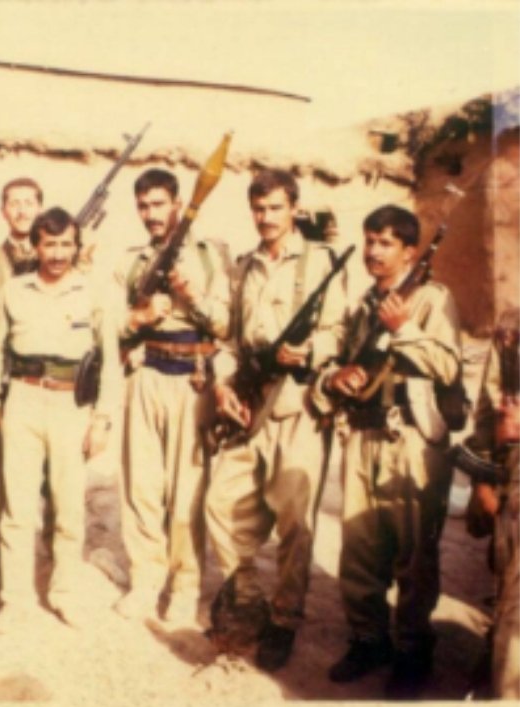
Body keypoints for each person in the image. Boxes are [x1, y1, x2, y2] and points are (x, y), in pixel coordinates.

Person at [314, 205, 461, 698]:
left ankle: (414, 650)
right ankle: (368, 639)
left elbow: (446, 365)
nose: (374, 251)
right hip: (363, 433)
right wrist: (338, 377)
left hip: (412, 439)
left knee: (413, 552)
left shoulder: (433, 300)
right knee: (359, 548)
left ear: (409, 252)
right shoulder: (360, 305)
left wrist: (403, 329)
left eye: (386, 243)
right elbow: (343, 362)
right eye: (370, 240)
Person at [205, 169, 346, 671]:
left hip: (298, 408)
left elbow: (339, 330)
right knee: (219, 502)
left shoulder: (323, 262)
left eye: (276, 208)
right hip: (249, 405)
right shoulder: (243, 268)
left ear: (294, 208)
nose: (267, 218)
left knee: (295, 524)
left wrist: (307, 351)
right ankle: (247, 594)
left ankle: (284, 621)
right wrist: (223, 384)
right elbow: (228, 342)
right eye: (259, 209)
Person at [0, 207, 121, 632]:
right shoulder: (14, 290)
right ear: (36, 246)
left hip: (70, 406)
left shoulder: (93, 292)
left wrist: (101, 420)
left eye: (66, 244)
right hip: (22, 399)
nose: (57, 254)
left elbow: (110, 363)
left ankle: (64, 594)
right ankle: (16, 599)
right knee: (18, 508)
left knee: (68, 508)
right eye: (49, 244)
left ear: (77, 247)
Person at [112, 168, 231, 624]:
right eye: (143, 206)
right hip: (146, 376)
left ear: (179, 203)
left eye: (159, 204)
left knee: (187, 493)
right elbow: (112, 320)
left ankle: (184, 588)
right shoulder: (133, 260)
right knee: (141, 487)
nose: (151, 214)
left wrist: (192, 296)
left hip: (192, 381)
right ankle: (145, 581)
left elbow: (226, 324)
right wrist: (139, 317)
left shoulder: (211, 256)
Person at [462, 308, 518, 699]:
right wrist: (483, 479)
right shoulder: (512, 328)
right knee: (505, 571)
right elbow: (488, 410)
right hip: (511, 476)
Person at [0, 177, 43, 296]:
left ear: (40, 209)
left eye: (29, 204)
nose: (22, 212)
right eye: (14, 204)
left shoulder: (55, 254)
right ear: (3, 211)